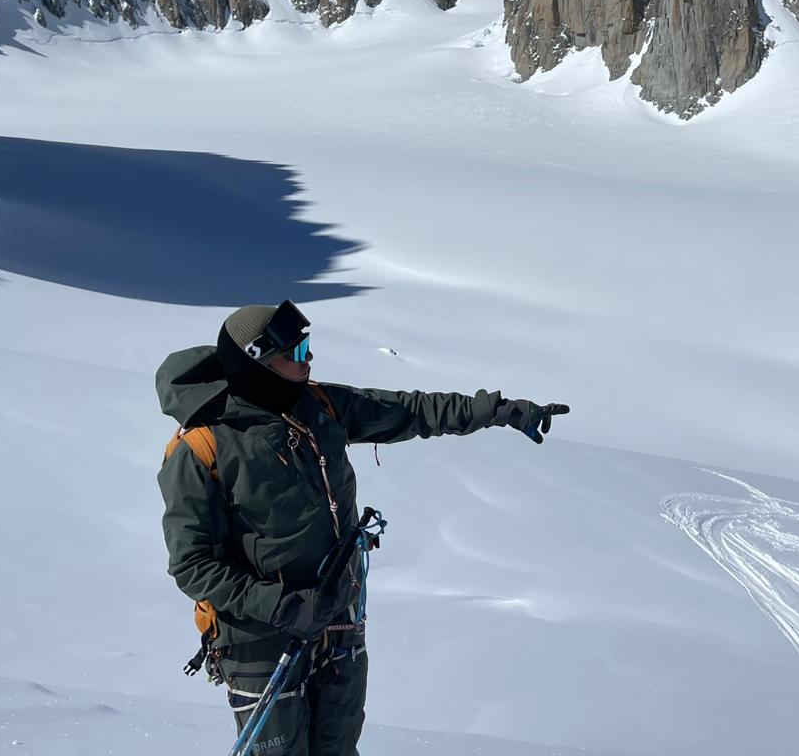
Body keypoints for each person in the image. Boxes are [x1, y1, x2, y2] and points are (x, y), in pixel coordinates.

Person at [156, 300, 568, 756]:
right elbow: (193, 565)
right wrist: (285, 606)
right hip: (261, 642)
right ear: (258, 361)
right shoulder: (202, 448)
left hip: (338, 621)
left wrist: (496, 411)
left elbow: (410, 411)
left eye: (307, 346)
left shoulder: (318, 405)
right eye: (295, 352)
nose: (308, 358)